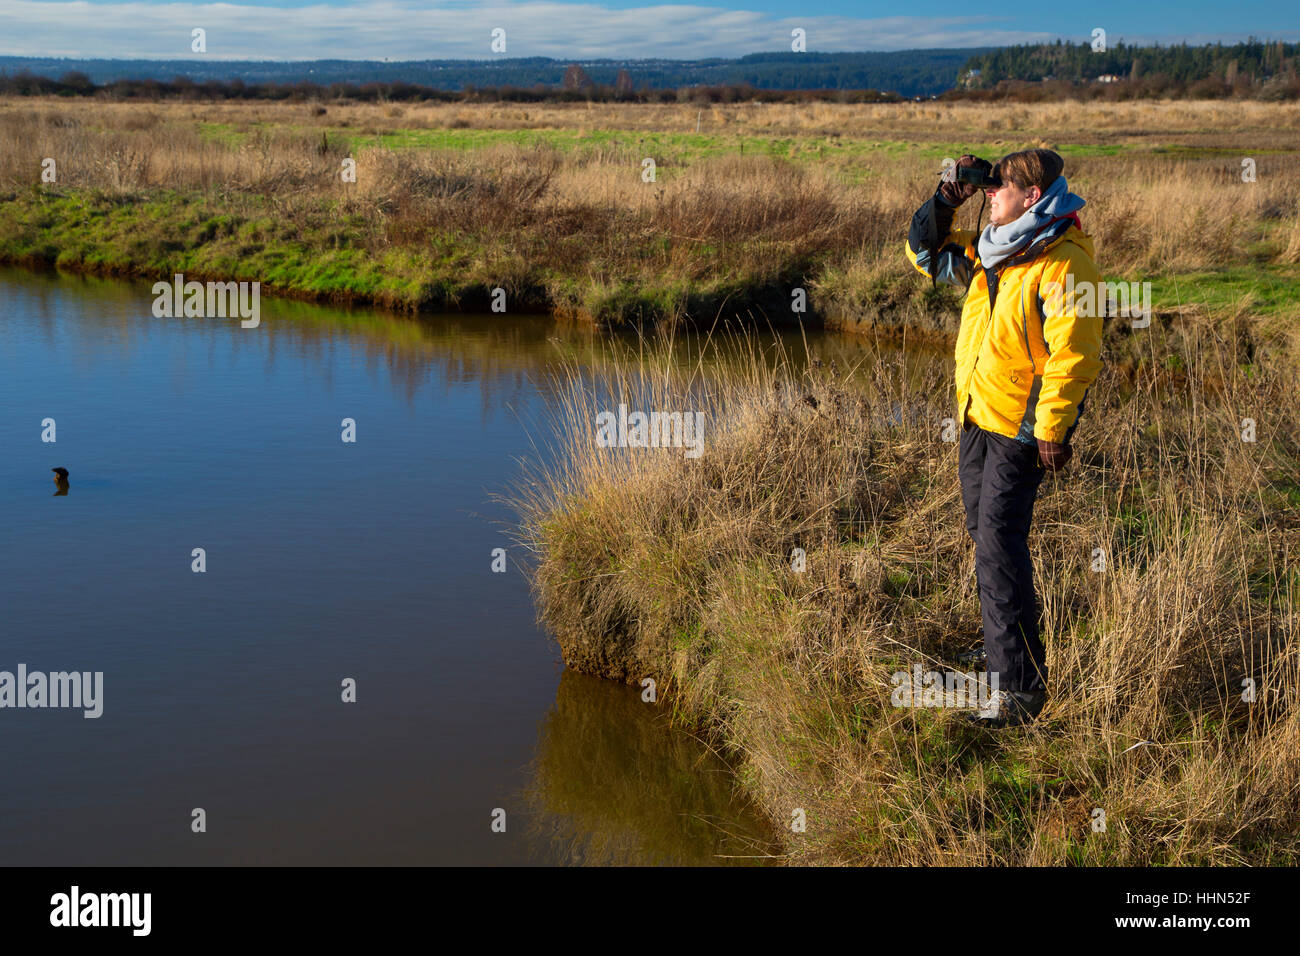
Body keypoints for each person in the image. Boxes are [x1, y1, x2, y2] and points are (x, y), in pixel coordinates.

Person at [904, 149, 1104, 727]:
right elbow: (923, 255)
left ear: (1033, 196)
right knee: (985, 536)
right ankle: (1004, 655)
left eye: (1001, 188)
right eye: (987, 189)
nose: (991, 195)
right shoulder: (993, 252)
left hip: (1020, 426)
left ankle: (1018, 691)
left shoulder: (1062, 263)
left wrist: (1053, 428)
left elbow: (1076, 353)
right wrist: (946, 199)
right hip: (976, 413)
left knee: (997, 540)